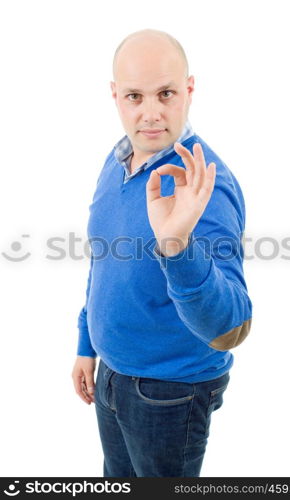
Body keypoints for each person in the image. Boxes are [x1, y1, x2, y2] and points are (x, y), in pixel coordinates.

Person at [71, 28, 252, 477]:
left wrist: (177, 245)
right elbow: (104, 259)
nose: (150, 113)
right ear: (115, 96)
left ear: (189, 90)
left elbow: (230, 327)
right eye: (135, 96)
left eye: (166, 93)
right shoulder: (118, 161)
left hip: (169, 393)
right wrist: (86, 342)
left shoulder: (203, 185)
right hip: (112, 375)